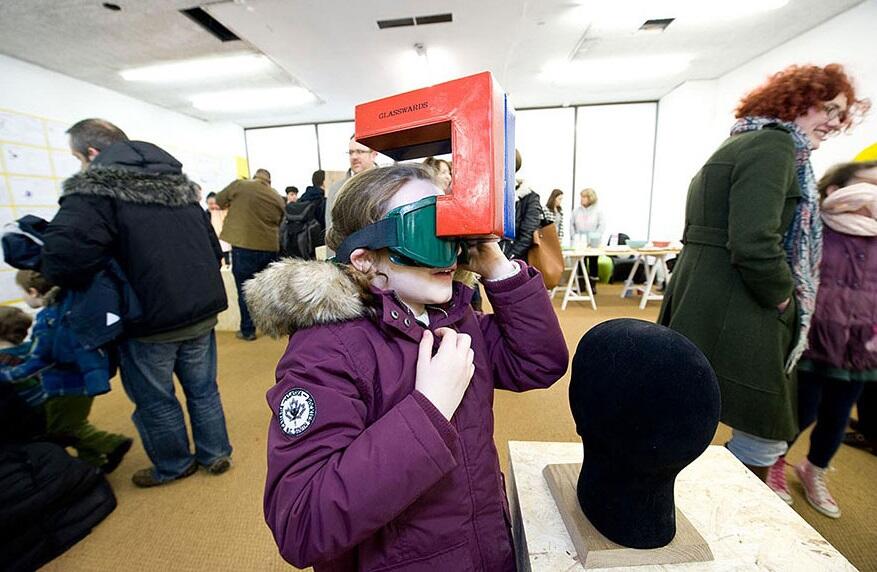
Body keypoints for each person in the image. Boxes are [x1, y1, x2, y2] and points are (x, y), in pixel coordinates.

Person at [247, 164, 568, 571]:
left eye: (450, 230)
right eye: (426, 232)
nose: (448, 251)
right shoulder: (326, 351)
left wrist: (496, 266)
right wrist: (428, 408)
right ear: (364, 260)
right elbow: (301, 524)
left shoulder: (451, 318)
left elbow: (537, 364)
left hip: (484, 548)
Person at [658, 64, 867, 480]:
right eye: (828, 107)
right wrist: (782, 295)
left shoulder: (746, 141)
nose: (834, 121)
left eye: (841, 114)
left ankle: (684, 493)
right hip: (740, 300)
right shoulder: (774, 147)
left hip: (709, 292)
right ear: (795, 100)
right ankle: (722, 504)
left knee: (688, 403)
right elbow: (754, 240)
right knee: (763, 430)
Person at [40, 118, 232, 487]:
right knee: (204, 388)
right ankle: (216, 453)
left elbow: (63, 259)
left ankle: (175, 464)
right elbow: (211, 246)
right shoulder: (178, 183)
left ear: (92, 153)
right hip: (201, 309)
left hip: (147, 317)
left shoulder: (94, 191)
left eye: (79, 158)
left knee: (156, 399)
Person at [766, 161, 877, 518]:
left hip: (863, 345)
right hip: (816, 338)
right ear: (835, 190)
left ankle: (814, 470)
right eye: (867, 184)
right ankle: (775, 462)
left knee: (838, 415)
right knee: (803, 410)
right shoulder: (814, 227)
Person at [1, 270, 132, 473]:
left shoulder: (47, 320)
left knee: (64, 429)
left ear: (33, 292)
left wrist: (7, 376)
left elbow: (39, 360)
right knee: (75, 422)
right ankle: (93, 464)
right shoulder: (67, 307)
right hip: (83, 379)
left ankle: (112, 444)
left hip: (62, 386)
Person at [215, 168, 285, 341]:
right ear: (269, 181)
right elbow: (280, 219)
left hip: (244, 246)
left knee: (244, 290)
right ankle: (273, 328)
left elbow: (219, 200)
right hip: (269, 247)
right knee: (267, 290)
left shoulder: (240, 185)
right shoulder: (275, 196)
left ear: (255, 177)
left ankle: (248, 330)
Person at [325, 136, 378, 230]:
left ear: (373, 154)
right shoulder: (337, 189)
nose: (354, 157)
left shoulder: (387, 184)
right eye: (351, 152)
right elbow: (330, 229)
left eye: (360, 152)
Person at [501, 149, 542, 261]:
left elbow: (527, 236)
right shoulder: (489, 194)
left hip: (514, 262)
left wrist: (506, 258)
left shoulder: (529, 197)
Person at [570, 188, 604, 290]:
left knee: (593, 262)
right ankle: (581, 285)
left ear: (590, 198)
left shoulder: (598, 211)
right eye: (581, 197)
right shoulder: (576, 211)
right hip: (580, 242)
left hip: (593, 242)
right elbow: (572, 224)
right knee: (581, 262)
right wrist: (574, 237)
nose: (582, 199)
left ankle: (593, 286)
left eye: (584, 197)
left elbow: (601, 226)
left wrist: (594, 238)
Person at [298, 169, 328, 235]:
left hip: (302, 239)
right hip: (319, 239)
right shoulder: (322, 200)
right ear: (324, 182)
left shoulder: (302, 198)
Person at [206, 191, 231, 266]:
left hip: (225, 245)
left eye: (215, 203)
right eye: (210, 204)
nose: (213, 206)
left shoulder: (225, 212)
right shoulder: (205, 215)